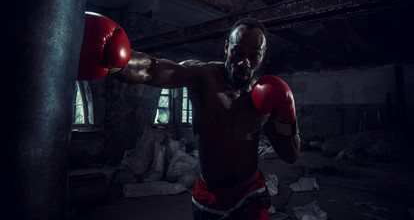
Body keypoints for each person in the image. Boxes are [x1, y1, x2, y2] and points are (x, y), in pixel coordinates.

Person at [78, 12, 301, 220]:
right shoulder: (203, 77)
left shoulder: (268, 96)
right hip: (209, 195)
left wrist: (287, 115)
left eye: (254, 56)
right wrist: (119, 61)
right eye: (238, 53)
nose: (244, 63)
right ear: (226, 48)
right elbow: (151, 70)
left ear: (263, 56)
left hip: (250, 193)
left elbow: (290, 155)